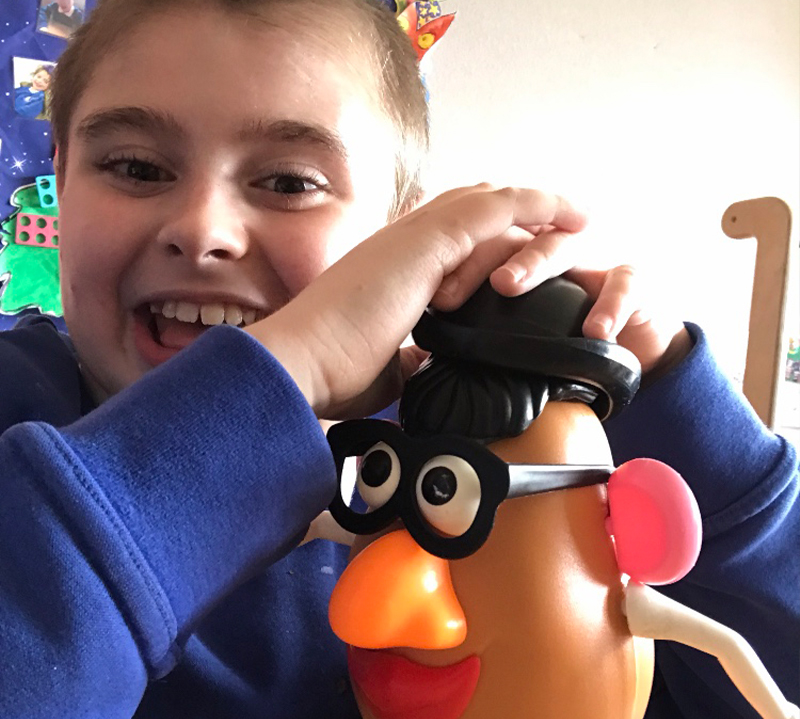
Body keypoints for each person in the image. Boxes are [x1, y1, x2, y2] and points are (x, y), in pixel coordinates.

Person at [0, 0, 795, 718]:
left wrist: (671, 398)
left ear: (400, 238)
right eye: (136, 167)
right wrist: (291, 368)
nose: (202, 228)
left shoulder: (476, 461)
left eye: (289, 181)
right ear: (61, 176)